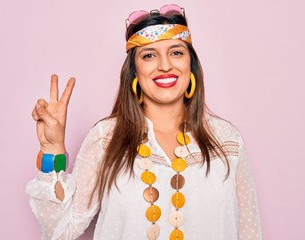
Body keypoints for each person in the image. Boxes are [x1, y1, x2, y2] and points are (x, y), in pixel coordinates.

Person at [27, 4, 262, 240]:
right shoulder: (106, 138)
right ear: (135, 72)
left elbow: (250, 233)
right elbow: (58, 231)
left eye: (176, 52)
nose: (165, 65)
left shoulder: (226, 140)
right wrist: (51, 149)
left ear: (191, 66)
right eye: (149, 55)